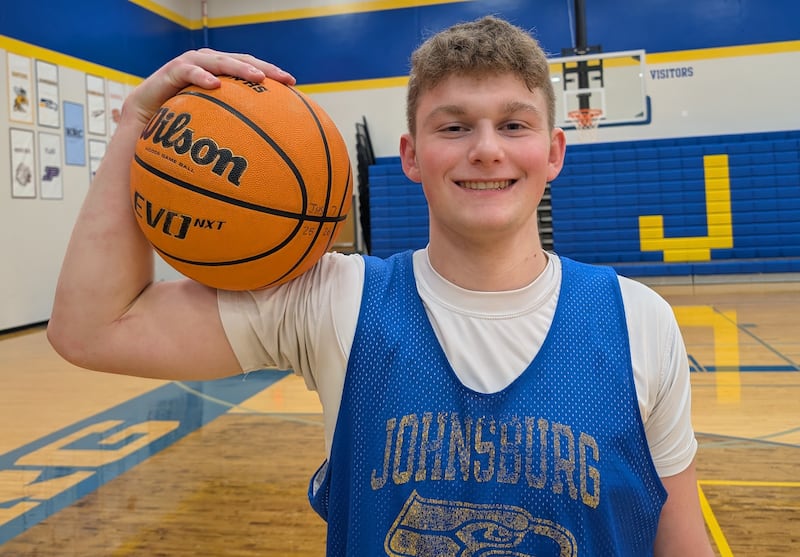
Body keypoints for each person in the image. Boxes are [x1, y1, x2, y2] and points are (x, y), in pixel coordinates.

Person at [48, 15, 714, 557]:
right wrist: (136, 121)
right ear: (412, 156)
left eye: (513, 124)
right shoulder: (332, 300)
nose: (486, 148)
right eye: (454, 126)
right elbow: (92, 328)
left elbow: (680, 543)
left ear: (554, 153)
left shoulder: (638, 319)